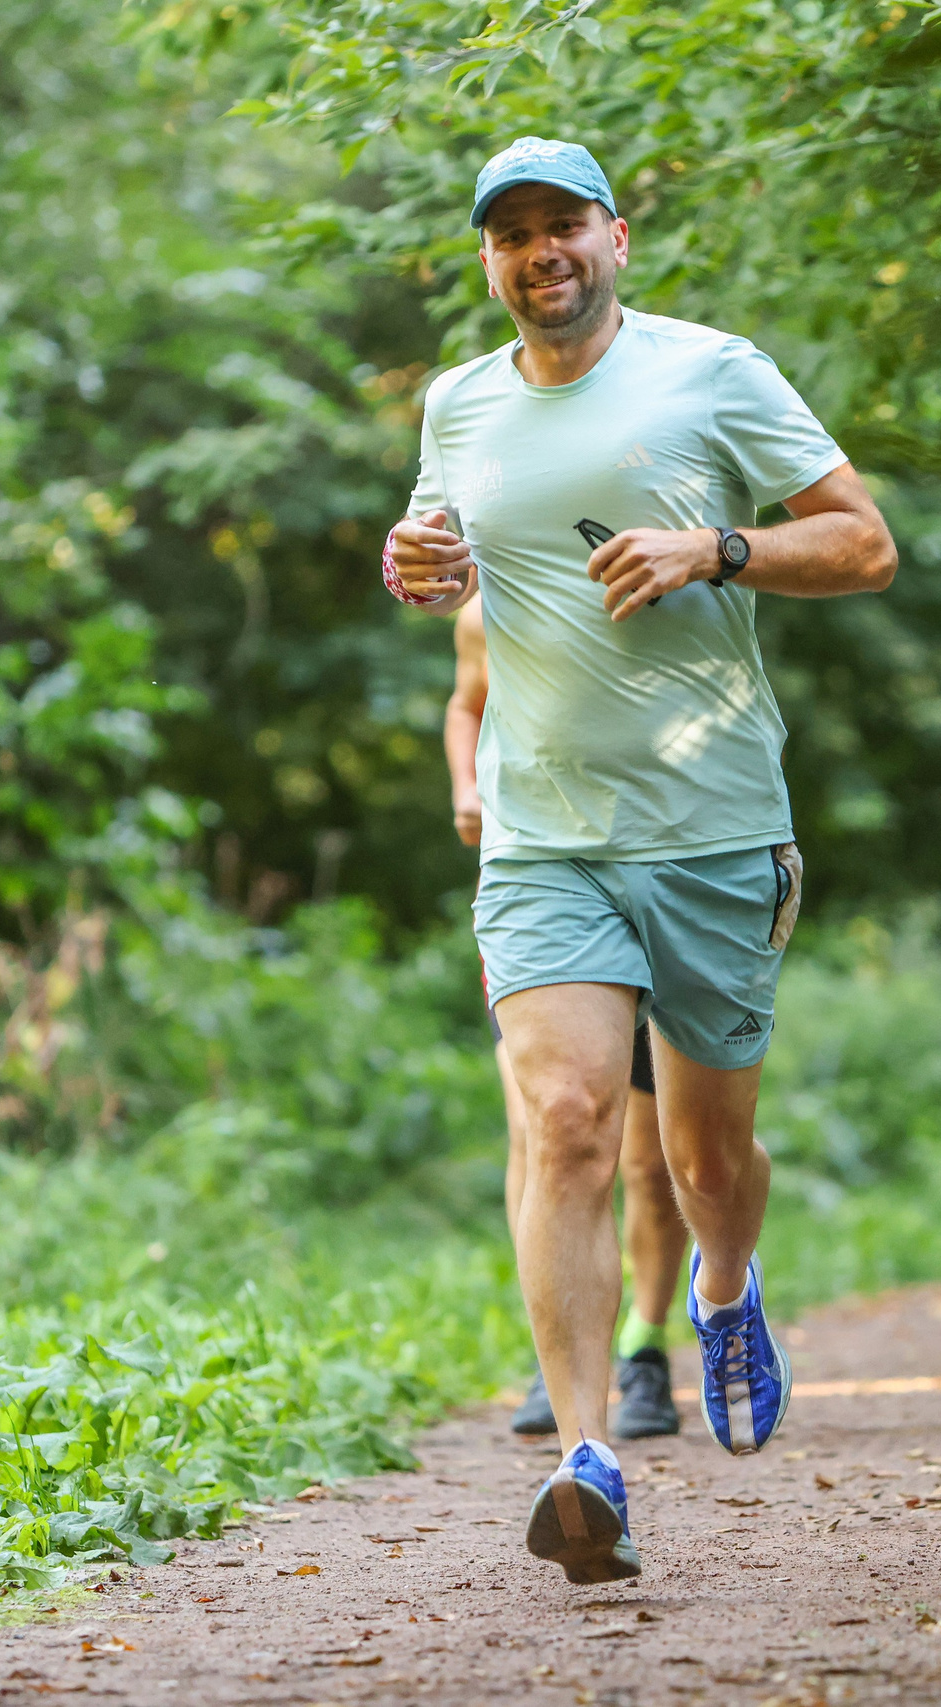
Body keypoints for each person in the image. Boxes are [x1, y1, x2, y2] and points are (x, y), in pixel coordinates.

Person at [384, 136, 898, 1584]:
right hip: (544, 832)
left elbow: (864, 545)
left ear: (615, 236)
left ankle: (724, 1287)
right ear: (488, 260)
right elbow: (446, 556)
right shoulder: (458, 402)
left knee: (706, 1157)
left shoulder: (713, 371)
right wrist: (422, 569)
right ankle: (585, 1455)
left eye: (564, 224)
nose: (539, 252)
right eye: (512, 234)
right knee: (564, 1118)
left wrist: (715, 549)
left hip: (713, 826)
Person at [447, 590, 686, 1443]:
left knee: (650, 1162)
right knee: (548, 1129)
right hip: (541, 896)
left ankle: (645, 1343)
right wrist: (466, 786)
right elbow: (466, 702)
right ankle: (561, 1359)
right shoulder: (487, 609)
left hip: (661, 882)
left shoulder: (660, 586)